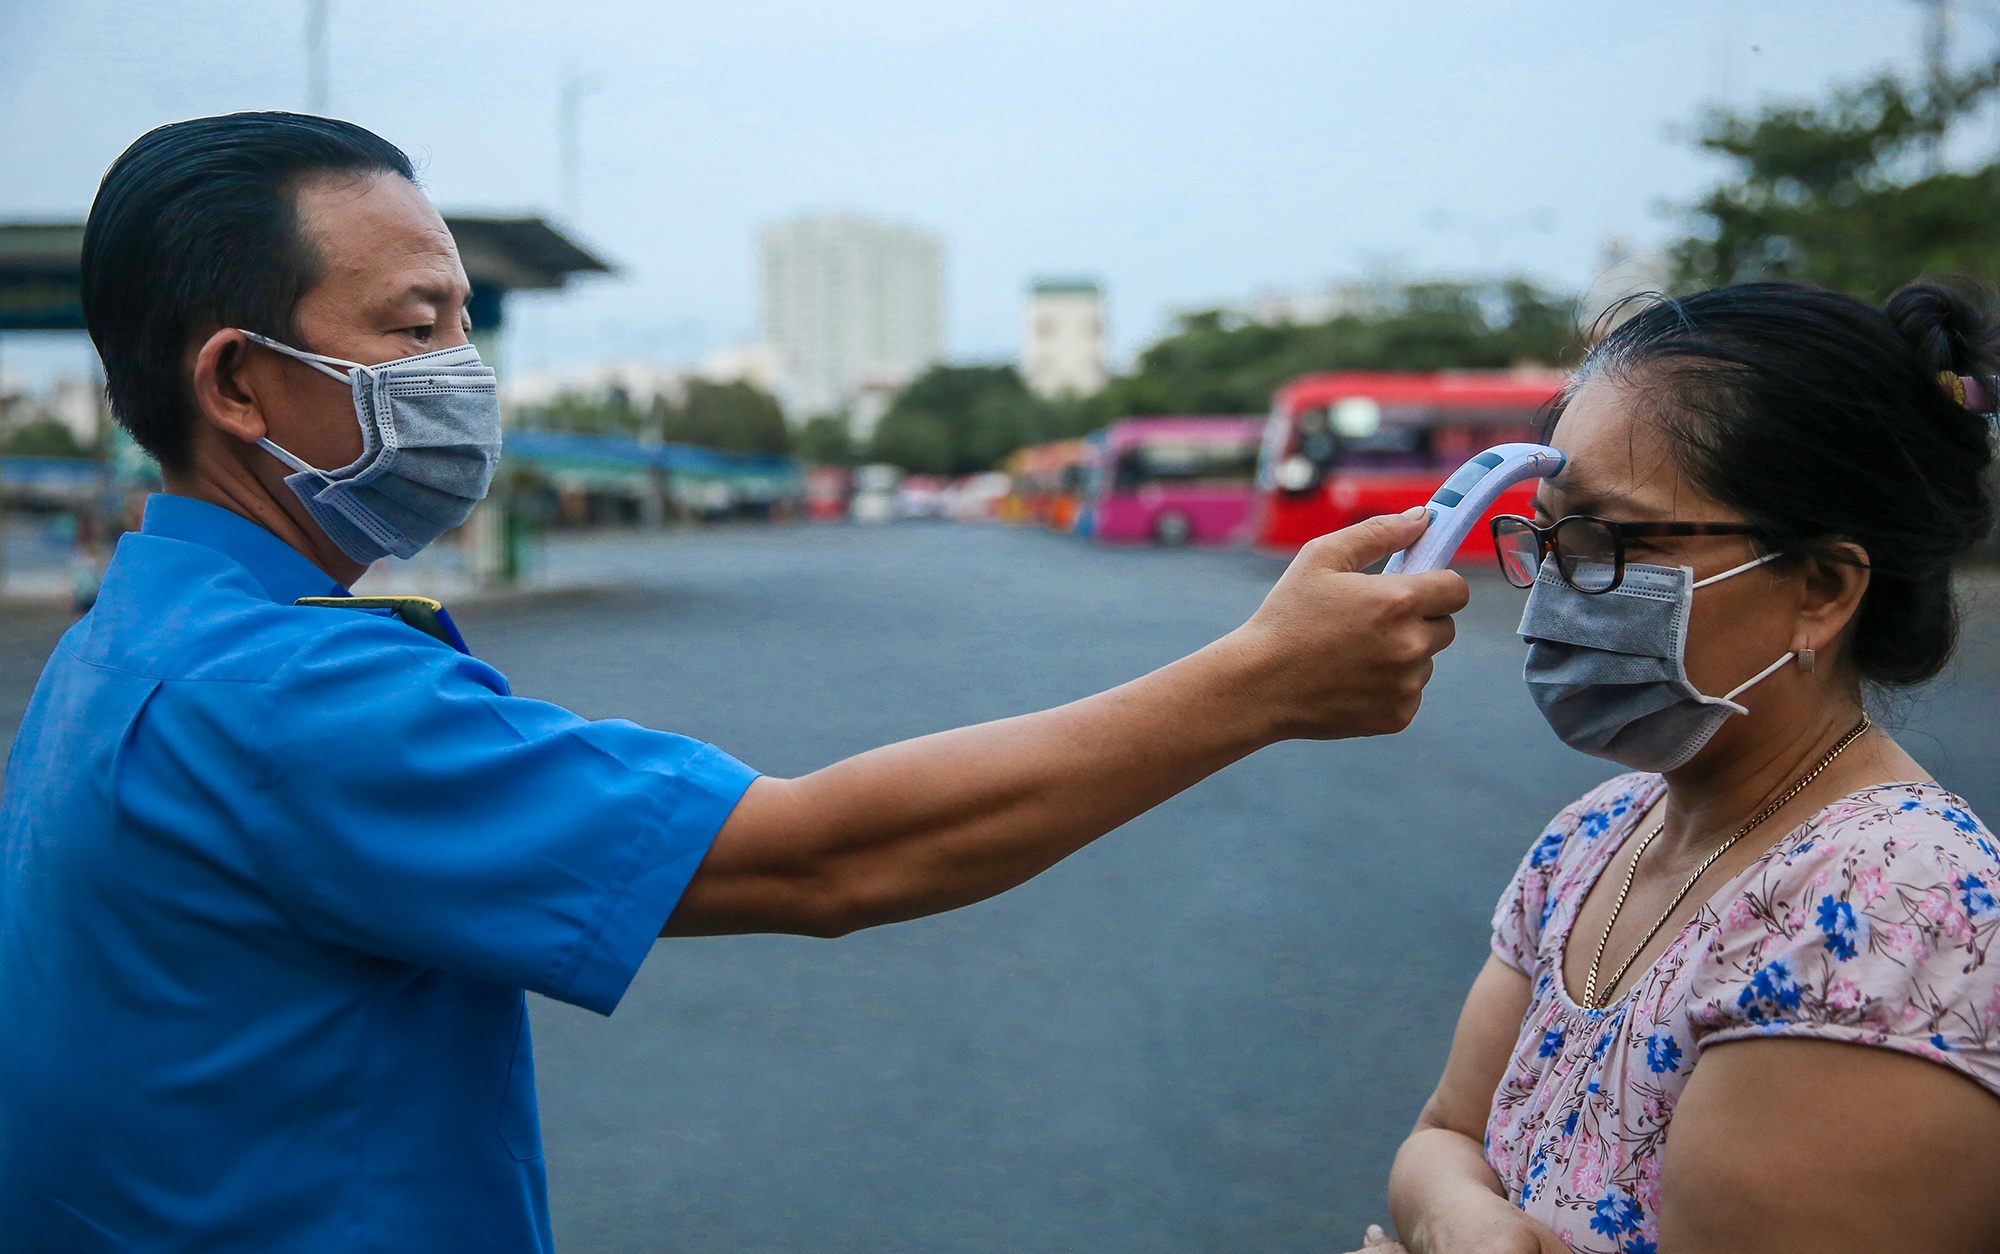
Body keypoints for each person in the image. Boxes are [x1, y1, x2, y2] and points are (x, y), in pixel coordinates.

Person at [0, 113, 1468, 1252]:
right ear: (237, 382)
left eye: (462, 322)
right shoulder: (285, 694)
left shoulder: (131, 633)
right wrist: (1259, 683)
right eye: (414, 326)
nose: (464, 369)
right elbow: (827, 856)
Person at [1376, 282, 2000, 1254]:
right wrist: (1467, 1226)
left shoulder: (1893, 910)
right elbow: (1445, 1134)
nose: (1552, 595)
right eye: (1547, 536)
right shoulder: (1595, 833)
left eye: (1610, 541)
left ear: (1821, 589)